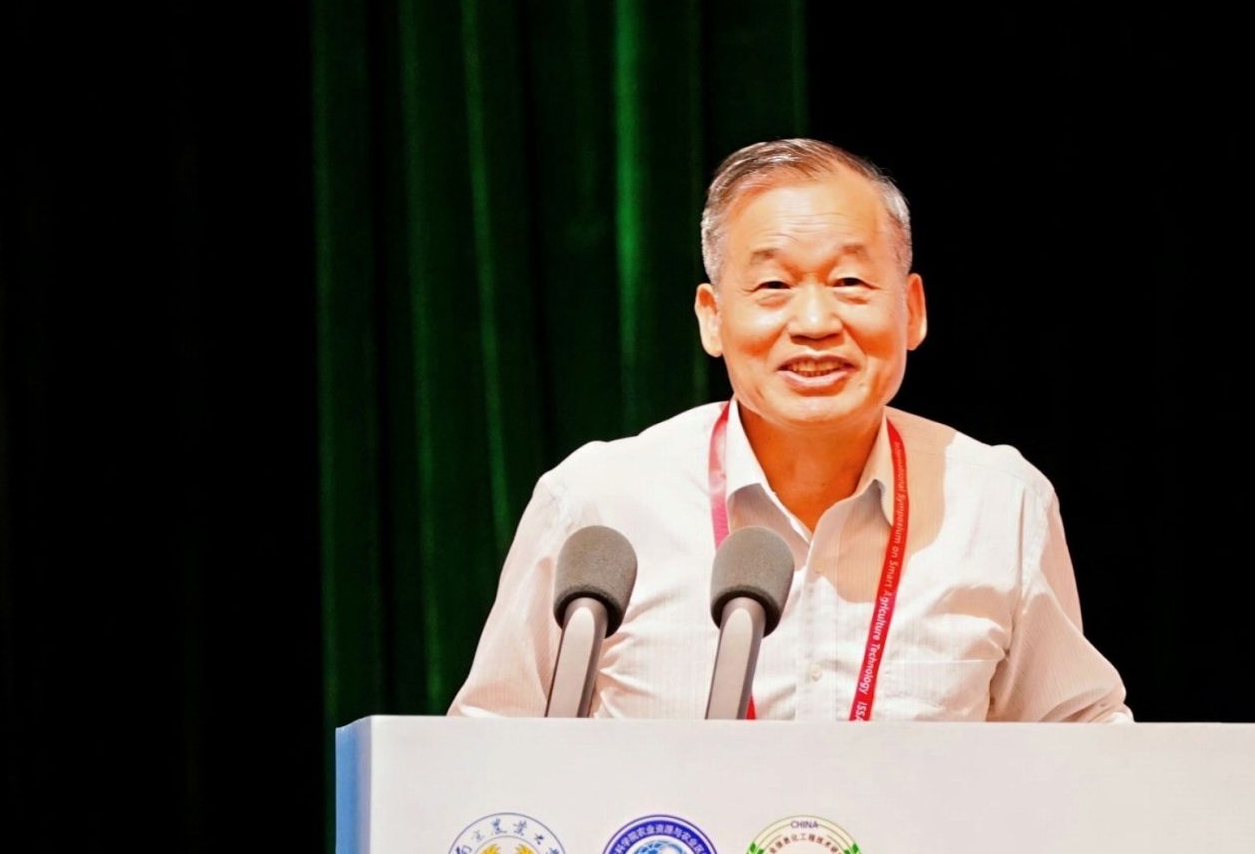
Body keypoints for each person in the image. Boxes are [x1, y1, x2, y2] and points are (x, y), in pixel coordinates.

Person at [449, 138, 1129, 722]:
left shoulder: (1000, 503)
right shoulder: (599, 502)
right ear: (713, 318)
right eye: (773, 287)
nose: (814, 323)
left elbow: (1081, 742)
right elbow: (489, 746)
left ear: (913, 309)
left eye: (851, 282)